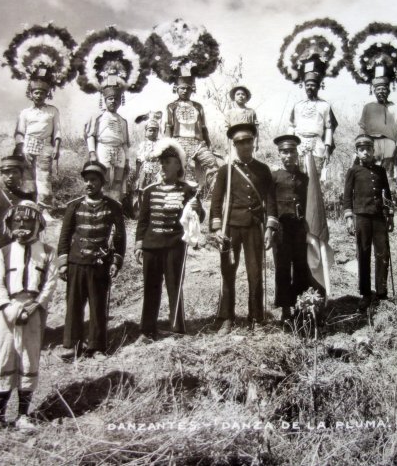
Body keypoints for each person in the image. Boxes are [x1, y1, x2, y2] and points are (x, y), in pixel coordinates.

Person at [0, 201, 57, 432]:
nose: (22, 225)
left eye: (28, 221)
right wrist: (9, 308)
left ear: (38, 223)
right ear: (10, 223)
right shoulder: (3, 253)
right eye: (17, 220)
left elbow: (49, 284)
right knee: (6, 357)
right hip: (7, 312)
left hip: (33, 312)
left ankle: (22, 415)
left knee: (29, 358)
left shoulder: (48, 252)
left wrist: (35, 306)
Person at [210, 123, 278, 334]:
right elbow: (216, 201)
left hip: (254, 228)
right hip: (231, 228)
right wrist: (217, 228)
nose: (245, 145)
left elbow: (270, 200)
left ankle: (256, 318)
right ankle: (226, 318)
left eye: (248, 141)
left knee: (255, 273)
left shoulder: (263, 169)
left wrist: (270, 227)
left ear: (253, 142)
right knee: (228, 272)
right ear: (234, 144)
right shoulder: (226, 171)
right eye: (240, 142)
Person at [134, 139, 204, 341]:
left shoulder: (188, 190)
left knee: (174, 286)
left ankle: (177, 328)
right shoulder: (149, 191)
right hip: (151, 246)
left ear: (178, 166)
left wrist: (198, 209)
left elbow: (198, 218)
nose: (163, 166)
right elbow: (143, 220)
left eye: (168, 162)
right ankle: (147, 330)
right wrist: (139, 244)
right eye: (161, 162)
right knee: (151, 288)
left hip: (175, 246)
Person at [57, 161, 126, 358]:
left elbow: (120, 237)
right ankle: (71, 344)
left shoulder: (114, 207)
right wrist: (63, 263)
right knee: (74, 304)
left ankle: (96, 347)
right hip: (76, 262)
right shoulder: (74, 206)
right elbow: (64, 237)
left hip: (100, 265)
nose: (89, 184)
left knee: (98, 305)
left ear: (102, 182)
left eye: (93, 180)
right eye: (86, 180)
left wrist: (116, 261)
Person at [0, 155, 35, 358]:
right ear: (1, 174)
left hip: (19, 253)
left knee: (16, 295)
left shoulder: (28, 199)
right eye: (6, 172)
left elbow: (34, 229)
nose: (10, 176)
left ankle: (13, 339)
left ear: (21, 174)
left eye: (14, 172)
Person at [343, 135, 394, 309]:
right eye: (361, 150)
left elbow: (387, 194)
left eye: (368, 149)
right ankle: (365, 293)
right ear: (357, 152)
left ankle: (381, 292)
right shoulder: (353, 171)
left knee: (382, 253)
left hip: (379, 217)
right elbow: (347, 196)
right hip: (362, 217)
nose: (365, 152)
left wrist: (390, 215)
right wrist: (349, 217)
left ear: (373, 151)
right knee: (363, 254)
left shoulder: (381, 171)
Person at [268, 135, 310, 324]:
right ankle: (285, 308)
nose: (288, 155)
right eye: (284, 152)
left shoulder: (304, 178)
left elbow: (310, 203)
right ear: (279, 154)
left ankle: (300, 306)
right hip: (282, 230)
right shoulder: (274, 177)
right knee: (283, 268)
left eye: (292, 151)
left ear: (297, 153)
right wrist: (271, 227)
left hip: (300, 229)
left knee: (301, 267)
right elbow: (269, 204)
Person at [13, 71, 62, 209]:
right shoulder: (25, 113)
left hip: (45, 147)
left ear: (47, 94)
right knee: (28, 178)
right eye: (36, 92)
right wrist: (21, 148)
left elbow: (57, 131)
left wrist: (57, 147)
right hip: (28, 146)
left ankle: (44, 208)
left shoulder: (52, 111)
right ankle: (28, 205)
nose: (39, 96)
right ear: (31, 94)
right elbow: (19, 132)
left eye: (42, 93)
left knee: (44, 178)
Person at [165, 73, 219, 186]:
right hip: (179, 143)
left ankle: (213, 193)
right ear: (176, 89)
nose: (185, 91)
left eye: (188, 88)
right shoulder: (171, 106)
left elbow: (203, 126)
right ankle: (186, 198)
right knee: (186, 171)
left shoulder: (198, 106)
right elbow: (169, 126)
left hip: (198, 143)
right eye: (182, 88)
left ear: (192, 90)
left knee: (212, 164)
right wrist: (168, 145)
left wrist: (208, 143)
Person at [287, 58, 339, 175]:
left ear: (318, 87)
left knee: (315, 179)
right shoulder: (297, 106)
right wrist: (290, 145)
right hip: (299, 145)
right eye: (307, 85)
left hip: (317, 146)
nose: (310, 87)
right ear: (304, 86)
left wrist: (327, 149)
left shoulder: (325, 105)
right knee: (298, 178)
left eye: (313, 85)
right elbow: (291, 126)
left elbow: (329, 128)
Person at [85, 76, 131, 202]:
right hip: (103, 148)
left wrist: (127, 160)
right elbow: (90, 136)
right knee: (104, 179)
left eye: (116, 99)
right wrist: (92, 153)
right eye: (110, 99)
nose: (113, 102)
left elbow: (125, 143)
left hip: (119, 152)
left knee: (117, 180)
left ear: (120, 102)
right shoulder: (98, 117)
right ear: (105, 100)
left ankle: (115, 206)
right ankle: (102, 205)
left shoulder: (123, 120)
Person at [358, 65, 397, 179]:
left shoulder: (395, 107)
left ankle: (388, 195)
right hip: (372, 143)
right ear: (374, 91)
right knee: (372, 172)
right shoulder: (368, 107)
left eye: (383, 89)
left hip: (390, 143)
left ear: (388, 90)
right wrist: (360, 143)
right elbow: (362, 127)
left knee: (388, 173)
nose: (381, 92)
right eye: (378, 89)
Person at [134, 115, 163, 196]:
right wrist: (137, 176)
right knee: (144, 191)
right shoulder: (143, 144)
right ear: (146, 132)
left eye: (155, 130)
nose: (152, 132)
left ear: (158, 132)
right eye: (150, 130)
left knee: (156, 190)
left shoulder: (160, 144)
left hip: (157, 170)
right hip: (145, 169)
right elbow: (139, 161)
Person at [225, 85, 259, 150]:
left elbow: (256, 128)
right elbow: (226, 130)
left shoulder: (251, 112)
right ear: (234, 97)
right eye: (238, 94)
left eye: (243, 94)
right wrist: (227, 145)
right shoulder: (229, 113)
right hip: (235, 142)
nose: (240, 96)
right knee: (235, 159)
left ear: (246, 97)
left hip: (249, 141)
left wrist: (256, 142)